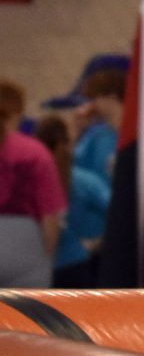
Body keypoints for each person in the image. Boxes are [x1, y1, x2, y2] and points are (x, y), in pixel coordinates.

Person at [0, 81, 67, 288]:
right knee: (27, 308)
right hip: (25, 244)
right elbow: (50, 213)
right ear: (16, 113)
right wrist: (47, 256)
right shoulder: (34, 152)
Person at [32, 114, 108, 287]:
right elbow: (120, 214)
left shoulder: (28, 183)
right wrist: (98, 242)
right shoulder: (86, 182)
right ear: (67, 144)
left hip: (39, 266)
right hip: (74, 265)